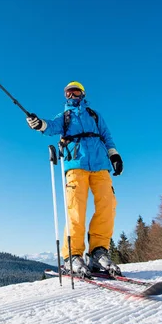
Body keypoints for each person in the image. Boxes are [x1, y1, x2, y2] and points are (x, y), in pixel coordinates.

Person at [26, 81, 124, 277]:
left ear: (83, 94)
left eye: (75, 92)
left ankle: (98, 252)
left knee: (108, 204)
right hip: (75, 166)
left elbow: (106, 136)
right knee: (76, 209)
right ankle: (73, 255)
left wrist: (114, 155)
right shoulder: (65, 117)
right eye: (68, 93)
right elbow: (49, 126)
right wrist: (38, 124)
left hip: (100, 165)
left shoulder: (94, 115)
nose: (71, 96)